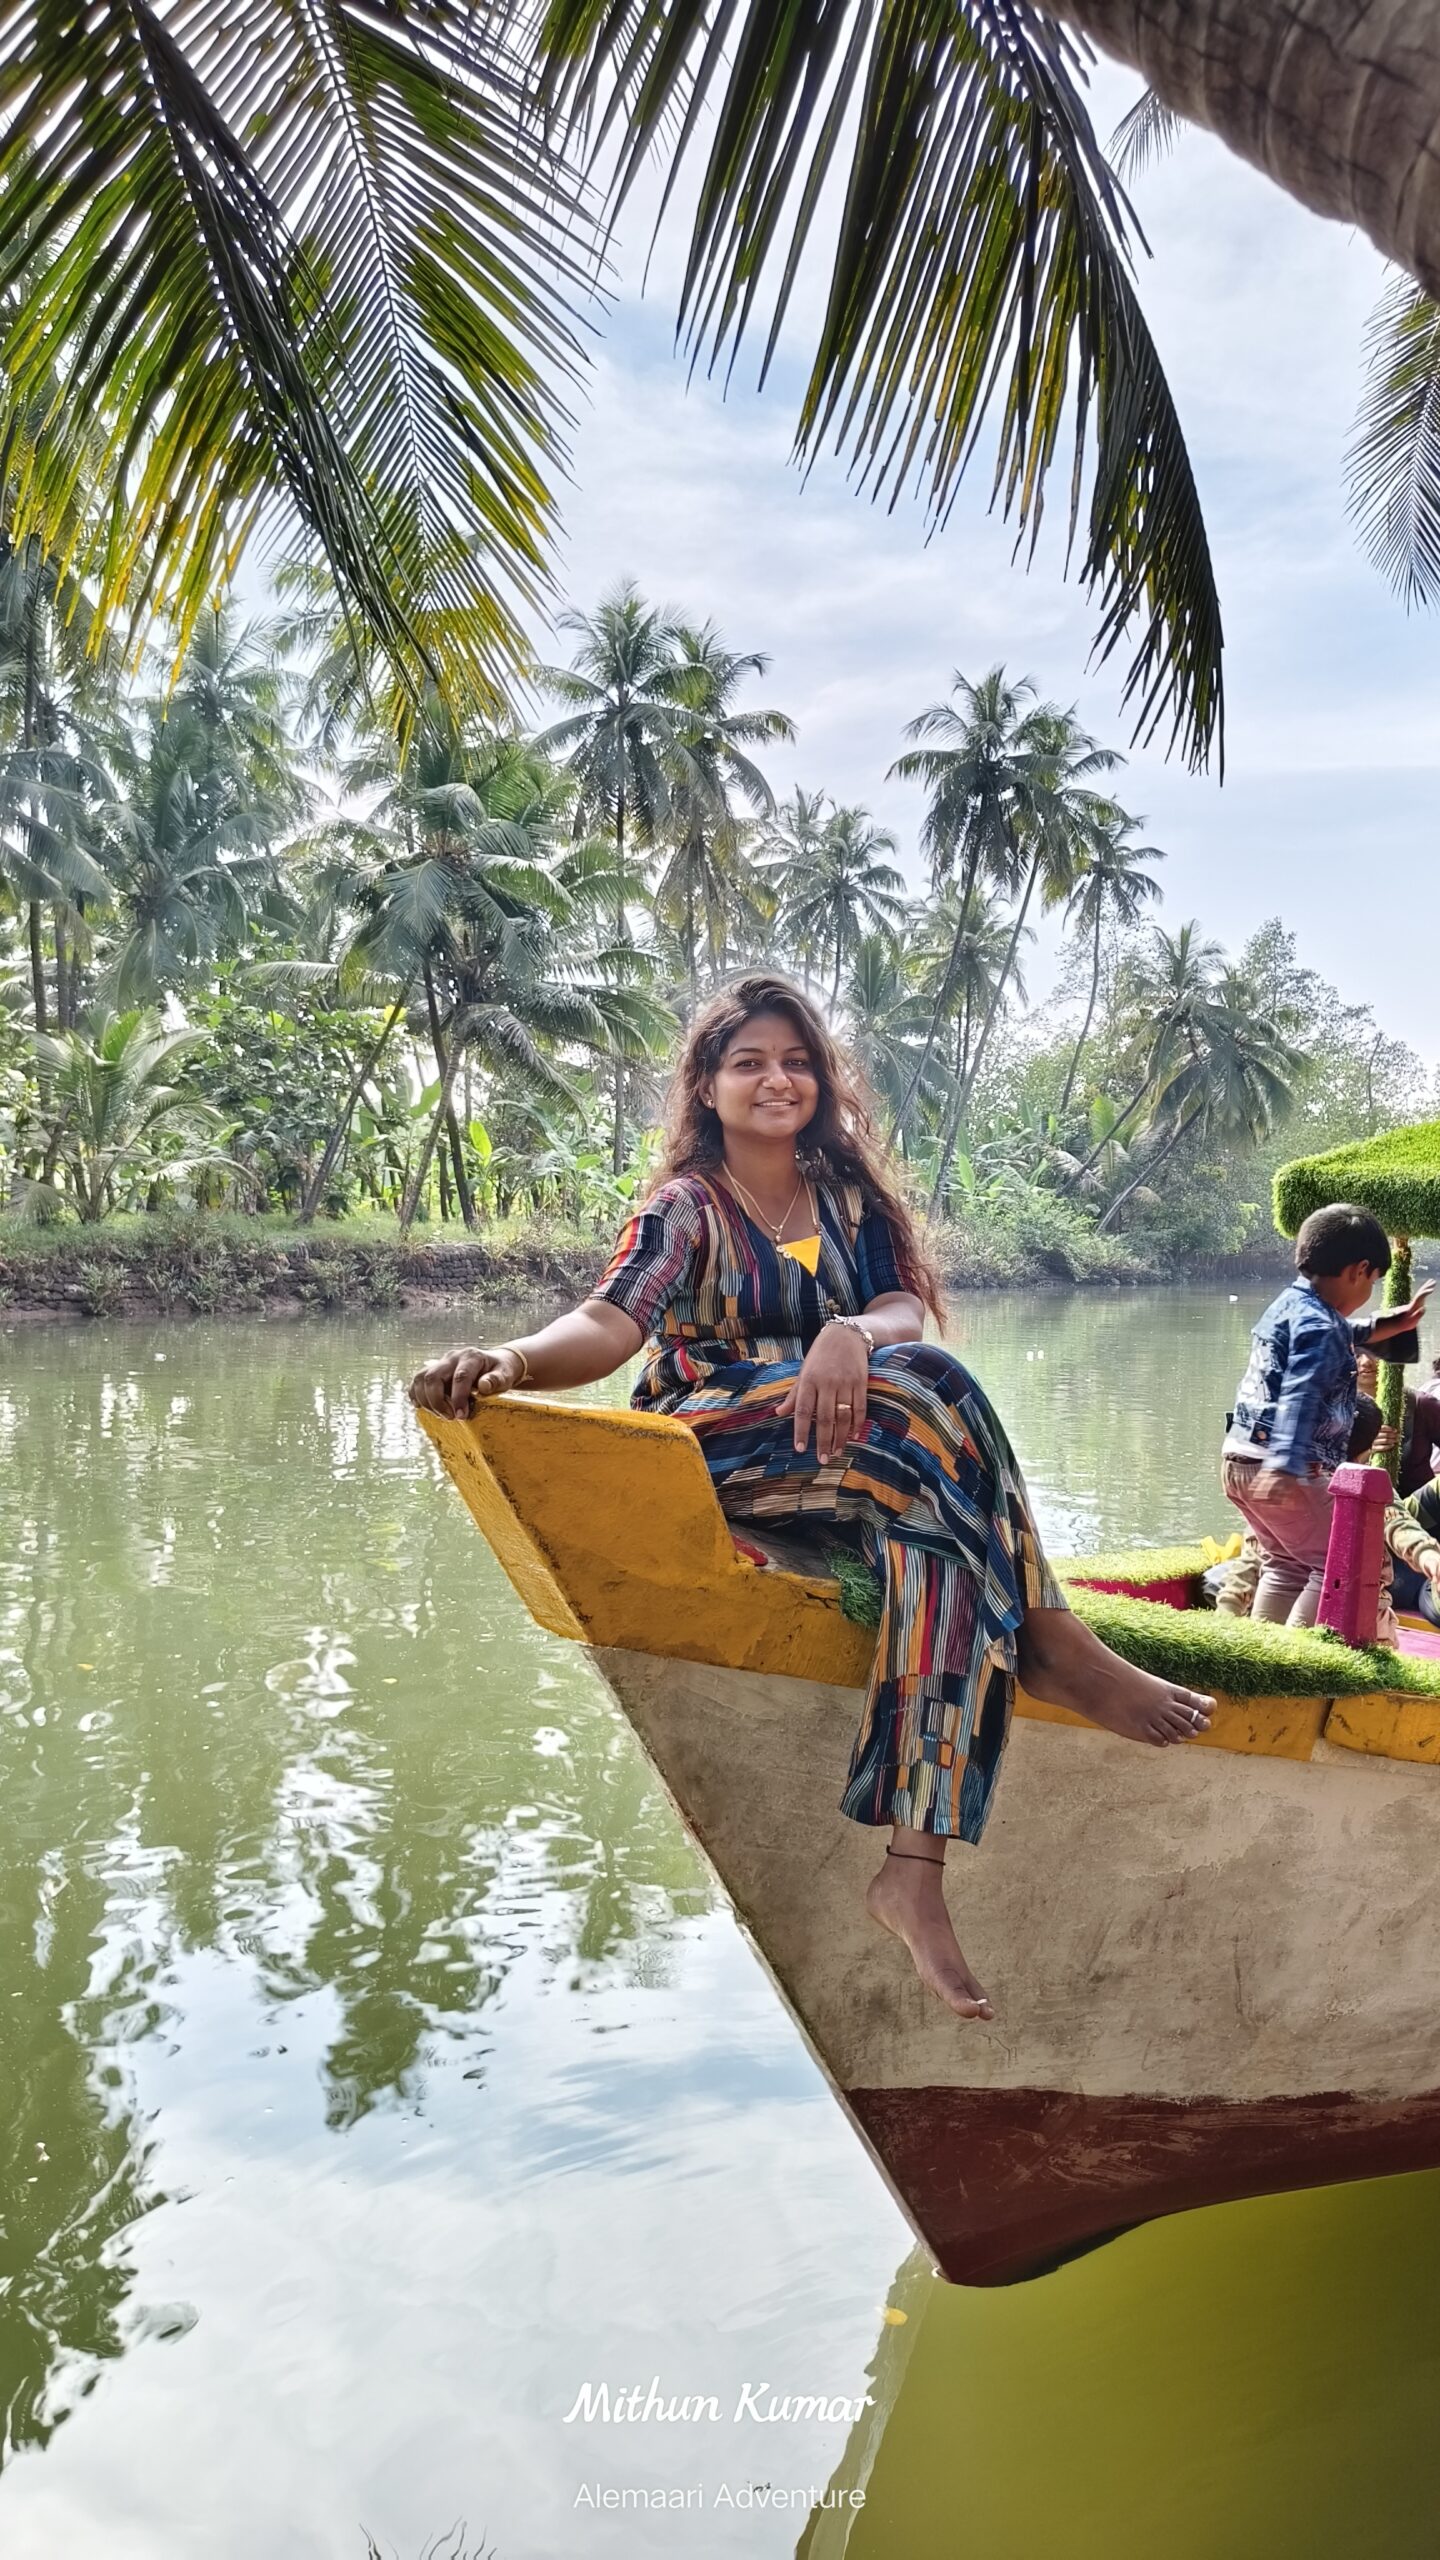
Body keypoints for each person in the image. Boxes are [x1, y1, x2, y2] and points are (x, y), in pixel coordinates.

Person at [409, 976, 1218, 2026]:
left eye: (794, 1060)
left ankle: (912, 1867)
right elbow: (612, 1325)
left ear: (820, 1079)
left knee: (937, 1531)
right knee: (937, 1392)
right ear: (706, 1086)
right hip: (722, 1436)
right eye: (748, 1061)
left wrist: (852, 1334)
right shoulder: (686, 1205)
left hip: (860, 1450)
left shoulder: (845, 1196)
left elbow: (897, 1306)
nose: (775, 1078)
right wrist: (509, 1359)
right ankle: (1052, 1636)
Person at [1221, 1208, 1432, 1627]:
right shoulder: (1320, 1327)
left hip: (1238, 1462)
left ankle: (1265, 1658)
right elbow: (1303, 1392)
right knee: (1334, 1560)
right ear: (1360, 1270)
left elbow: (1341, 1332)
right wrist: (1285, 1465)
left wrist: (1390, 1322)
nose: (1371, 1289)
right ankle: (1301, 1663)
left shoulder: (1292, 1304)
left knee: (1285, 1563)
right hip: (1285, 1468)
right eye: (1373, 1281)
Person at [1212, 1394, 1391, 1616]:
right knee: (1336, 1562)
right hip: (1276, 1468)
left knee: (1282, 1560)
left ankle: (1266, 1643)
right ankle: (1300, 1644)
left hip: (1234, 1459)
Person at [1400, 1355, 1440, 1496]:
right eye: (1357, 1354)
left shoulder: (1420, 1403)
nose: (1366, 1361)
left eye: (1376, 1353)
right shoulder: (1333, 1410)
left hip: (1416, 1503)